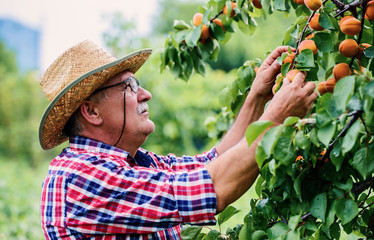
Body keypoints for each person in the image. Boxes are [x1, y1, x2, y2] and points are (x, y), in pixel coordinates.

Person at [39, 40, 317, 239]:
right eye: (130, 86)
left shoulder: (133, 163)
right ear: (91, 111)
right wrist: (276, 118)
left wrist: (257, 97)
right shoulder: (79, 177)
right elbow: (211, 188)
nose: (145, 94)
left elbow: (212, 163)